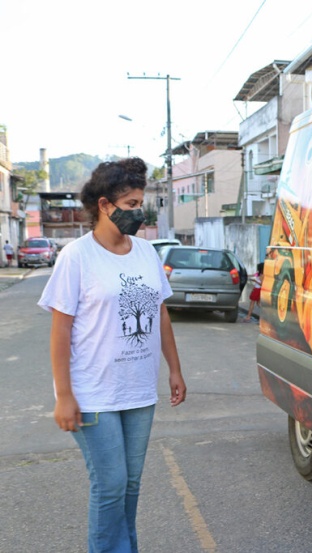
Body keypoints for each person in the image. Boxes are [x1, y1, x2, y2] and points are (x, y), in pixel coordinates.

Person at [38, 157, 187, 553]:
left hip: (137, 389)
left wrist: (175, 369)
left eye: (141, 204)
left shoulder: (145, 252)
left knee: (131, 486)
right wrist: (64, 395)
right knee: (110, 485)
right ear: (105, 205)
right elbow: (60, 330)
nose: (139, 212)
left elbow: (160, 313)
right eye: (131, 205)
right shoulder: (77, 256)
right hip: (93, 392)